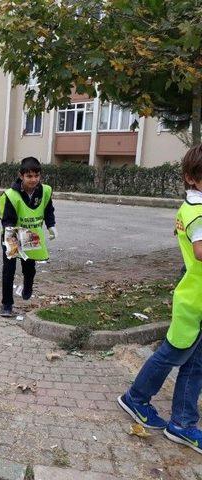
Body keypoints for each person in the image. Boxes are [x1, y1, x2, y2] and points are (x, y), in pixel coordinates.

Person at [118, 145, 202, 454]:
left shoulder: (193, 207)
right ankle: (136, 398)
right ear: (191, 178)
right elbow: (199, 252)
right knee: (171, 354)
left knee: (195, 364)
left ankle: (182, 423)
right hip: (194, 300)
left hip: (197, 299)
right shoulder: (196, 212)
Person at [0, 156, 56, 317]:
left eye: (36, 176)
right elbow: (6, 219)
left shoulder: (44, 191)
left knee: (29, 267)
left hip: (31, 234)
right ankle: (7, 304)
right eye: (29, 176)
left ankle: (28, 284)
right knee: (9, 270)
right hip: (12, 234)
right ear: (21, 175)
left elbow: (48, 210)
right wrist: (13, 237)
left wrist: (51, 225)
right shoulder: (11, 195)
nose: (33, 179)